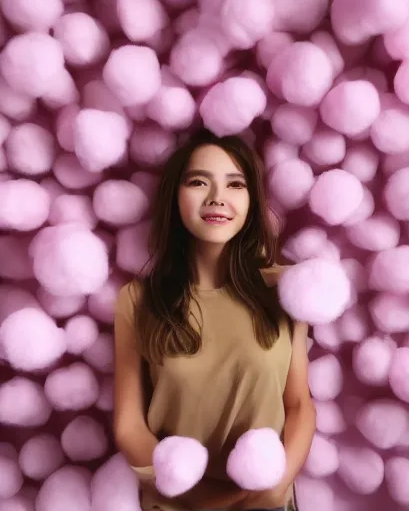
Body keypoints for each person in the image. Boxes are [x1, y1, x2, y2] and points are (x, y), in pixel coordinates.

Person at [113, 128, 316, 511]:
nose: (217, 198)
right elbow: (129, 426)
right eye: (198, 182)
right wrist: (207, 502)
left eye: (235, 184)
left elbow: (300, 405)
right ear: (176, 197)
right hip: (177, 505)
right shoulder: (137, 301)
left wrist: (277, 484)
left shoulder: (289, 290)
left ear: (252, 201)